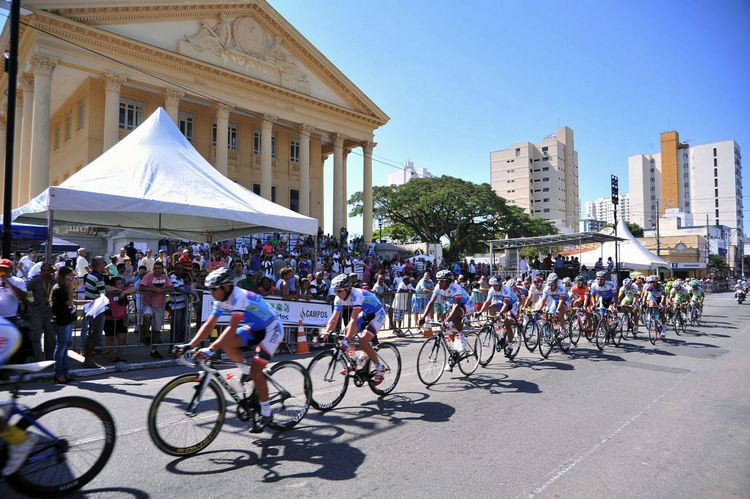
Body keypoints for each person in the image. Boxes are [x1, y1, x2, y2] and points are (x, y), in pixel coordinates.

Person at [174, 267, 284, 432]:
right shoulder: (220, 299)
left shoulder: (238, 297)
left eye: (213, 289)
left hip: (272, 328)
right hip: (254, 327)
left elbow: (231, 328)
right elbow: (209, 324)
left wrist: (210, 349)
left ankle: (267, 413)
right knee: (227, 344)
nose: (211, 292)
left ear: (225, 287)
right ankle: (246, 371)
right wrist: (191, 345)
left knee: (256, 371)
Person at [322, 274, 387, 383]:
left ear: (347, 289)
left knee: (362, 341)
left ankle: (380, 368)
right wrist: (324, 333)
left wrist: (346, 340)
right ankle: (354, 361)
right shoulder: (339, 298)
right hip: (366, 313)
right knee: (347, 331)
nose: (336, 294)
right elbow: (333, 319)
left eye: (339, 291)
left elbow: (353, 318)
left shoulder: (356, 295)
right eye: (335, 291)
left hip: (377, 314)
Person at [50, 265, 88, 383]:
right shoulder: (59, 288)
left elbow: (73, 302)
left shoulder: (64, 287)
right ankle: (58, 374)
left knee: (65, 347)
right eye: (71, 275)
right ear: (65, 276)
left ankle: (64, 373)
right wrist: (70, 287)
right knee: (61, 347)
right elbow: (70, 302)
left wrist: (89, 301)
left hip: (67, 320)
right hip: (62, 321)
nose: (73, 278)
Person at [419, 270, 473, 352]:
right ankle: (454, 349)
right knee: (449, 326)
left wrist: (447, 320)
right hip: (454, 305)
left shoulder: (456, 288)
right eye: (438, 280)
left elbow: (457, 306)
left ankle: (462, 338)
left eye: (441, 281)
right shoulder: (438, 287)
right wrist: (423, 317)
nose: (438, 283)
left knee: (454, 317)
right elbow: (431, 302)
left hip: (467, 304)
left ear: (447, 282)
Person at [138, 260, 173, 358]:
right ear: (153, 269)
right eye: (155, 268)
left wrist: (163, 290)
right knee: (147, 316)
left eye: (159, 268)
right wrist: (153, 289)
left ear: (162, 269)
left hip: (160, 305)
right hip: (148, 303)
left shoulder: (165, 277)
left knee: (157, 330)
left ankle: (154, 350)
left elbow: (171, 288)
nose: (157, 270)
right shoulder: (148, 276)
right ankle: (146, 335)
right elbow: (141, 288)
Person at [479, 276, 519, 357]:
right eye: (492, 285)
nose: (494, 287)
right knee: (491, 307)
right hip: (501, 303)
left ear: (500, 284)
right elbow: (487, 302)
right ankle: (500, 328)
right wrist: (480, 312)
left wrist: (500, 313)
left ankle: (510, 346)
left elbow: (506, 304)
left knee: (507, 322)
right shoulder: (492, 290)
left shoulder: (506, 289)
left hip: (512, 304)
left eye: (495, 285)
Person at [26, 263, 55, 361]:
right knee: (36, 337)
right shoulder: (34, 281)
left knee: (51, 338)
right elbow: (28, 293)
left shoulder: (54, 281)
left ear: (51, 271)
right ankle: (38, 359)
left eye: (48, 270)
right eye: (44, 270)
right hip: (36, 312)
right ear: (40, 271)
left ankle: (50, 359)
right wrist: (31, 301)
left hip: (50, 312)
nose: (46, 272)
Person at [104, 276, 135, 363]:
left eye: (122, 283)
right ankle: (111, 356)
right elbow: (105, 287)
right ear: (113, 285)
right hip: (109, 319)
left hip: (121, 318)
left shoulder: (124, 290)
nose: (121, 285)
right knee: (110, 338)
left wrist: (123, 293)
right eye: (119, 284)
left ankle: (120, 356)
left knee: (122, 338)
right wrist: (118, 291)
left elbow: (134, 288)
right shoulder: (108, 291)